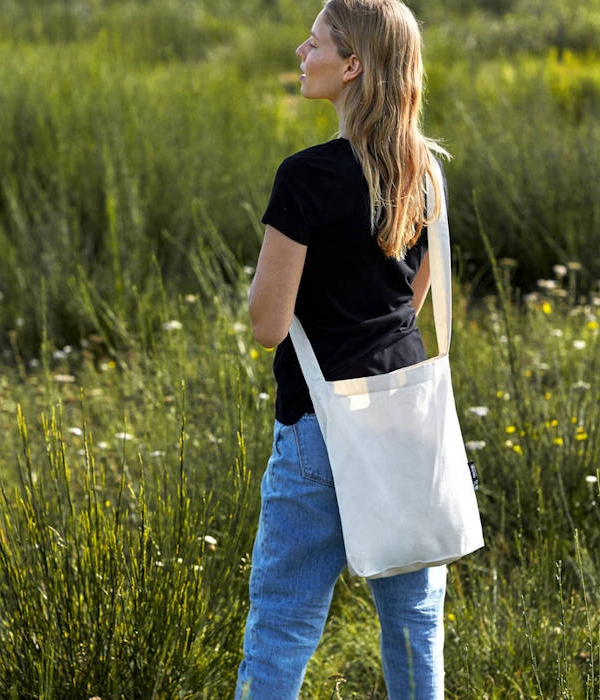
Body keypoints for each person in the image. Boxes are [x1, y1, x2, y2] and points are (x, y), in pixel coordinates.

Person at [235, 1, 450, 697]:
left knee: (282, 627)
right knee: (414, 623)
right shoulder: (424, 173)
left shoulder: (305, 177)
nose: (302, 50)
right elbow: (419, 289)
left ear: (352, 65)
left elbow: (269, 324)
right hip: (405, 419)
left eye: (316, 41)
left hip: (319, 426)